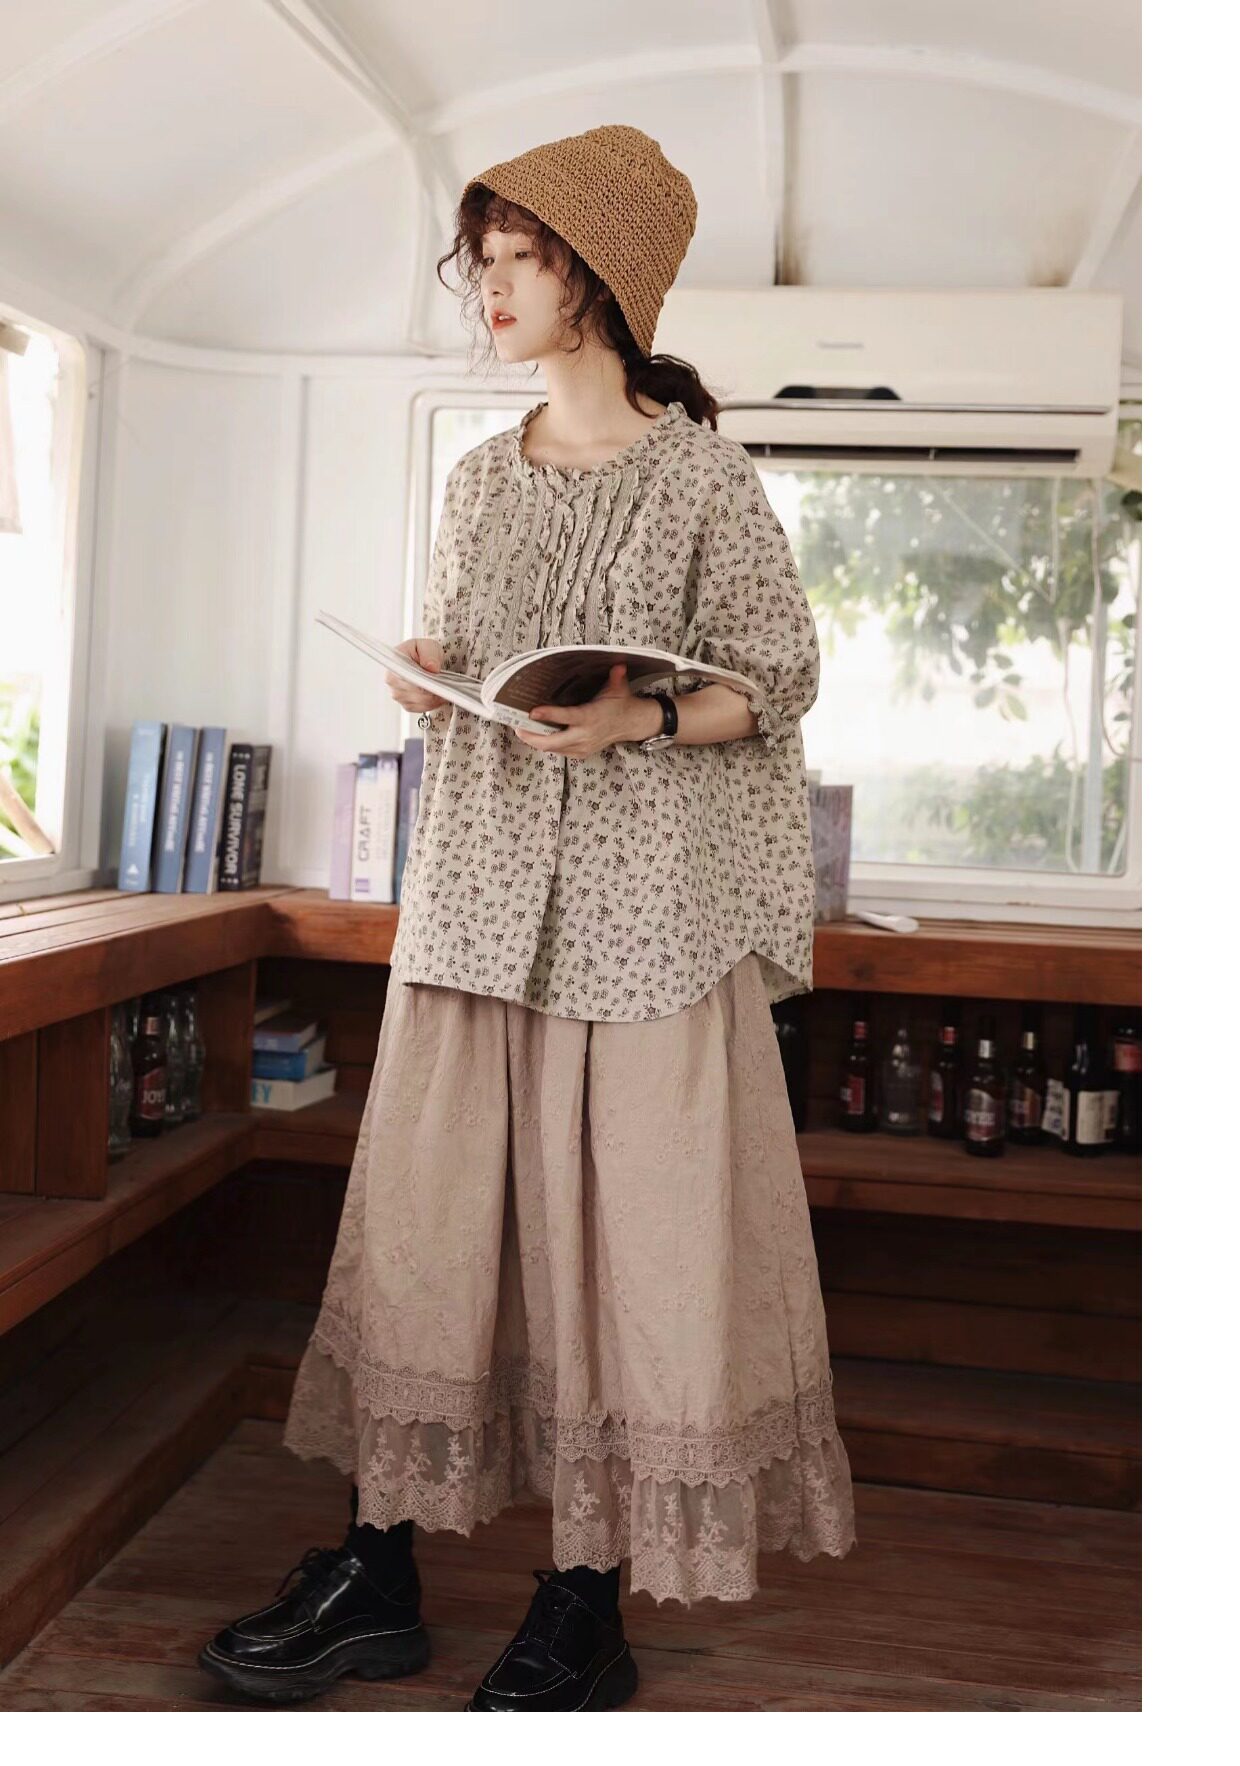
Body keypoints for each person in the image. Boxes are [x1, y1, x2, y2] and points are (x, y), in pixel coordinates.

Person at [198, 122, 856, 1714]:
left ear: (600, 278)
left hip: (644, 928)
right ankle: (378, 1569)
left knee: (628, 1255)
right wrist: (427, 674)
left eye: (521, 261)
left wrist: (638, 719)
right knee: (431, 1226)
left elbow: (781, 680)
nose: (489, 289)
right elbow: (465, 662)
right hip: (480, 901)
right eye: (481, 260)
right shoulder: (481, 477)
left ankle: (583, 1601)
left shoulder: (702, 477)